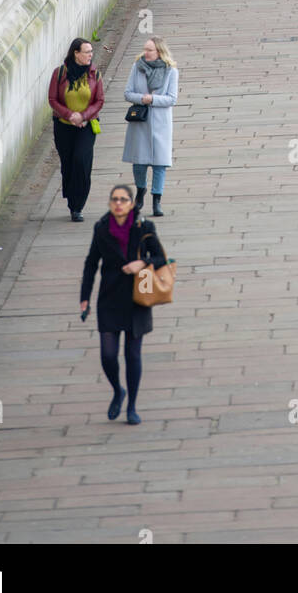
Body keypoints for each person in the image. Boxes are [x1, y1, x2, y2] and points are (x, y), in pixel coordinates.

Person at [79, 184, 166, 426]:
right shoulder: (102, 228)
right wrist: (84, 297)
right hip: (109, 297)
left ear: (131, 204)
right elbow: (91, 263)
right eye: (115, 200)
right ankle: (118, 389)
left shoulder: (144, 227)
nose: (119, 203)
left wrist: (142, 263)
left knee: (132, 354)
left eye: (124, 200)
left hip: (138, 297)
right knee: (108, 355)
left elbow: (161, 258)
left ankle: (132, 406)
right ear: (110, 203)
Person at [48, 38, 105, 221]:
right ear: (76, 53)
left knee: (81, 161)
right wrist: (69, 115)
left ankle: (77, 206)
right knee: (68, 164)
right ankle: (71, 198)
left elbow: (99, 100)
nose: (90, 55)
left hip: (86, 126)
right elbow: (52, 100)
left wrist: (83, 116)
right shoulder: (59, 73)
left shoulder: (95, 74)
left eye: (91, 52)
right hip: (64, 127)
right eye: (86, 52)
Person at [123, 35, 180, 216]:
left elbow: (172, 98)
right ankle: (140, 192)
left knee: (160, 163)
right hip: (141, 121)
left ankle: (157, 200)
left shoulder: (171, 71)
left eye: (150, 50)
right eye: (145, 49)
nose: (146, 53)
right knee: (139, 162)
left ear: (159, 52)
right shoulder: (137, 67)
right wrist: (141, 98)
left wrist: (153, 99)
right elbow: (128, 93)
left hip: (161, 122)